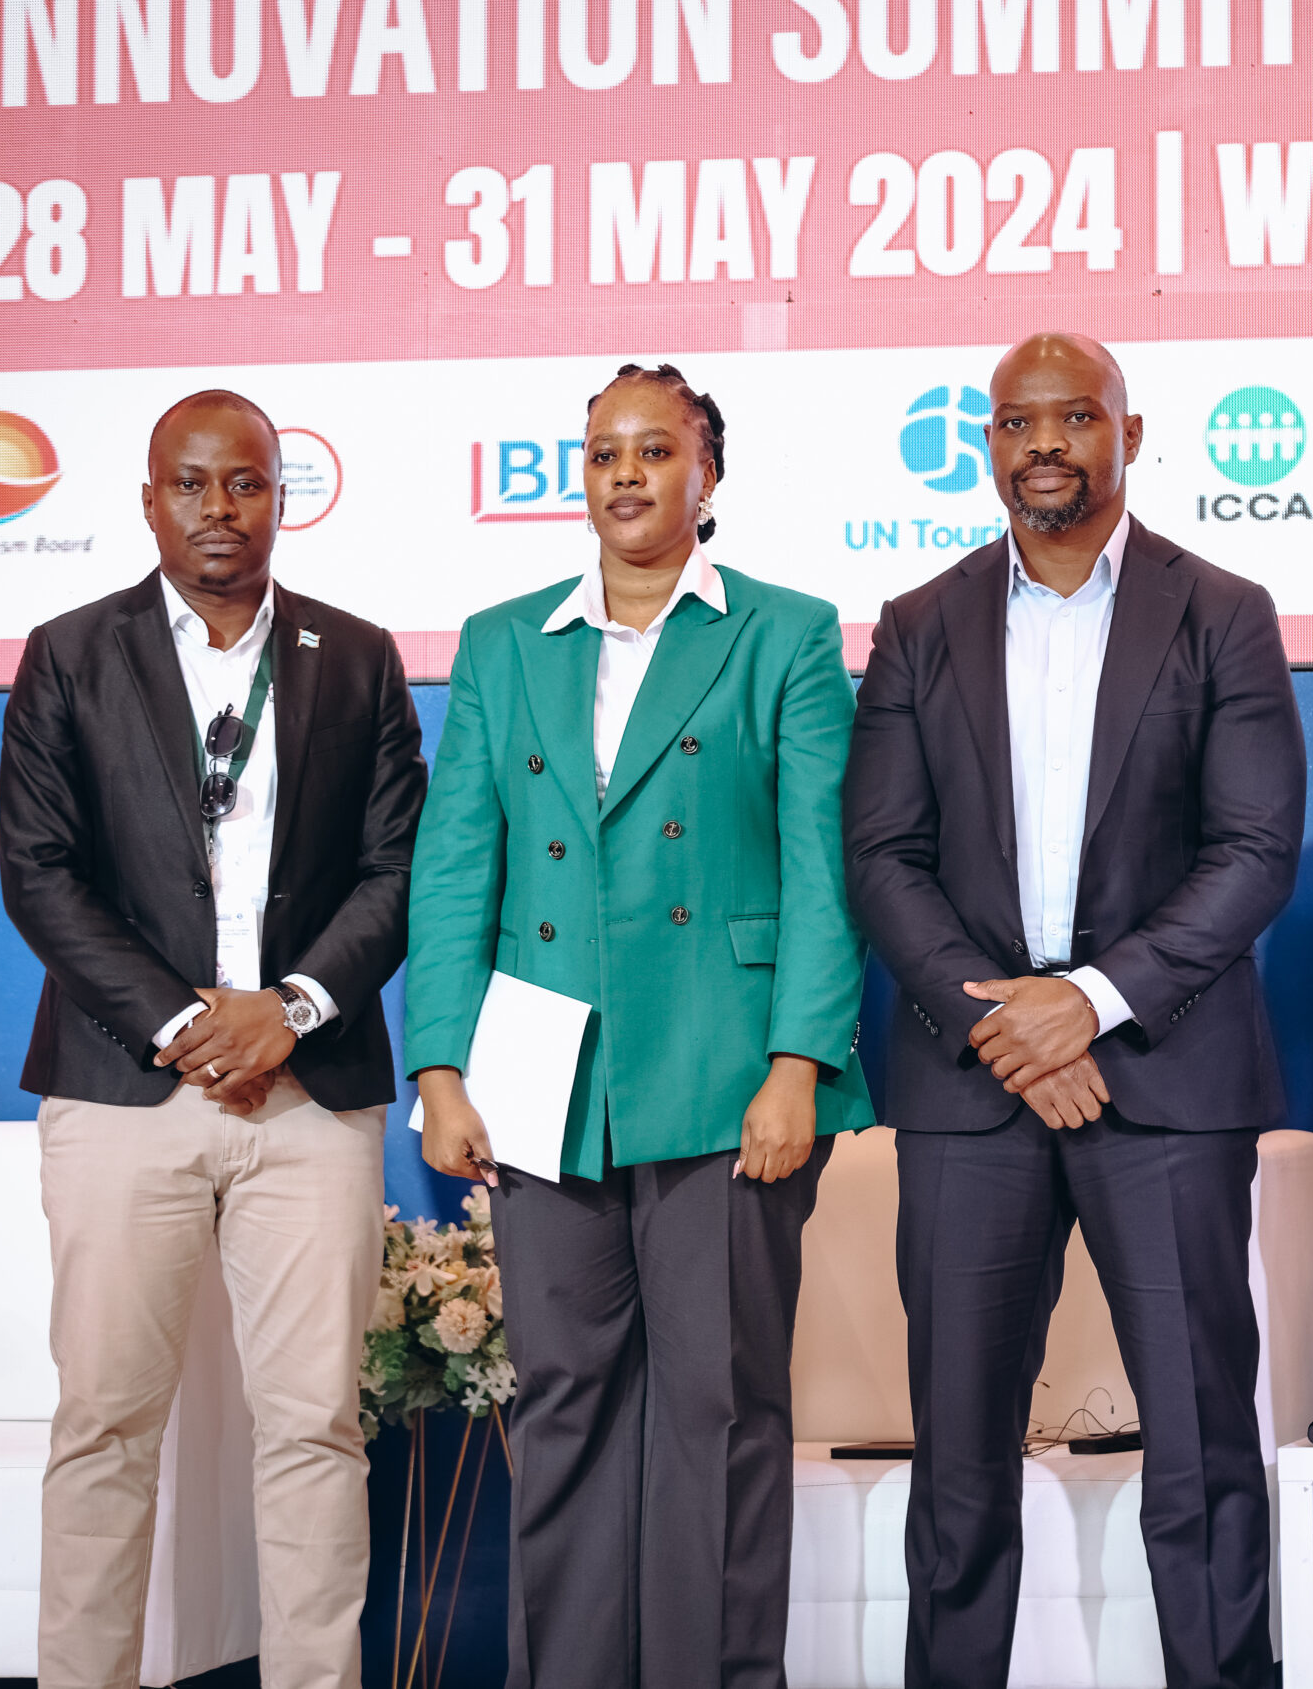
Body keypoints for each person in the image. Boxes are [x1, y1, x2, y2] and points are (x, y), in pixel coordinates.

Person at [844, 332, 1305, 1689]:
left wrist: (1090, 1005)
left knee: (1202, 1456)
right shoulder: (918, 623)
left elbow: (1255, 849)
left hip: (1166, 1079)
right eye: (1015, 422)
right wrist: (1012, 1027)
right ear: (988, 443)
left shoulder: (1222, 609)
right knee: (960, 1467)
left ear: (1130, 434)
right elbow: (881, 856)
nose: (1045, 443)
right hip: (971, 1086)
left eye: (1075, 417)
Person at [405, 363, 873, 1689]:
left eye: (656, 449)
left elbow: (822, 870)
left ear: (706, 475)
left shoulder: (784, 633)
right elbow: (456, 867)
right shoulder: (504, 641)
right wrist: (439, 1069)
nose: (625, 473)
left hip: (729, 1075)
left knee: (717, 1409)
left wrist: (798, 1065)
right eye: (604, 450)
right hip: (543, 1079)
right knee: (560, 1402)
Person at [0, 389, 427, 1689]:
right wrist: (189, 1023)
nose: (219, 508)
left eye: (245, 482)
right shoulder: (71, 653)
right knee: (104, 1426)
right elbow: (39, 873)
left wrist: (286, 1010)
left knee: (314, 1431)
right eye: (190, 484)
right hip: (121, 1089)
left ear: (281, 498)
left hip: (312, 1094)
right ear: (149, 500)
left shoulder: (357, 657)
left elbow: (398, 870)